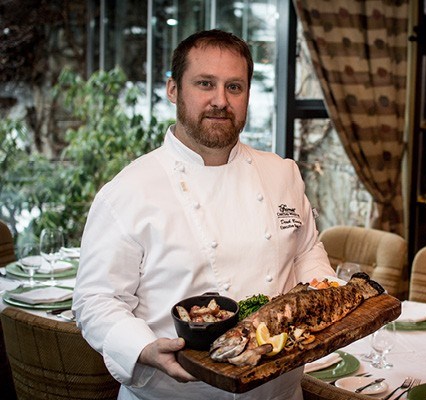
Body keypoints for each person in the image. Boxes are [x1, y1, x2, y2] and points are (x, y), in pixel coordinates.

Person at [72, 29, 335, 400]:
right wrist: (143, 348)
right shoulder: (129, 191)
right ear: (173, 90)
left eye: (234, 87)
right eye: (205, 84)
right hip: (178, 391)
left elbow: (307, 251)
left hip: (280, 390)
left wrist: (327, 300)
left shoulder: (282, 173)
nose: (220, 101)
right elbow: (95, 299)